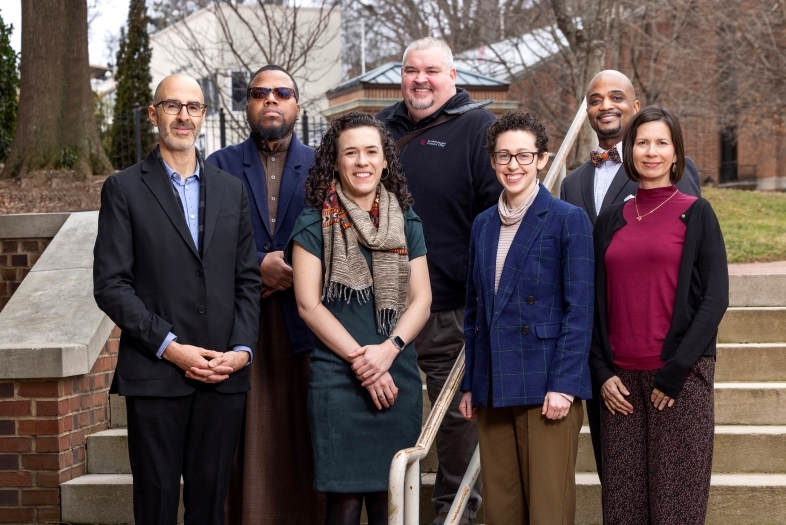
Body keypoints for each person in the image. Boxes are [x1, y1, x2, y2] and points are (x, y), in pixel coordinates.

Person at [93, 74, 261, 525]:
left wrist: (242, 352)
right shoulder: (124, 189)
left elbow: (247, 280)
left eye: (193, 107)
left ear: (204, 116)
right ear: (153, 115)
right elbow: (111, 285)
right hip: (155, 373)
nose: (183, 116)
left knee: (210, 504)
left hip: (222, 374)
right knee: (157, 504)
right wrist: (172, 347)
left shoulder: (231, 190)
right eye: (172, 106)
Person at [376, 37, 501, 524]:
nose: (420, 79)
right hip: (382, 312)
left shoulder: (479, 130)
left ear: (453, 77)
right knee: (385, 420)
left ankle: (456, 517)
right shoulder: (378, 131)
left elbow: (497, 221)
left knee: (456, 430)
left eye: (431, 70)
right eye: (411, 70)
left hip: (451, 311)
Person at [288, 112, 431, 524]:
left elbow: (421, 300)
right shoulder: (313, 222)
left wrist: (389, 351)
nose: (362, 161)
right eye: (350, 152)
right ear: (334, 161)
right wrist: (363, 362)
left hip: (398, 375)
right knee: (345, 506)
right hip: (339, 379)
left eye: (372, 151)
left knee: (394, 508)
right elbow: (308, 306)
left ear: (386, 161)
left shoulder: (406, 221)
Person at [559, 70, 702, 482]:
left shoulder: (670, 166)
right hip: (604, 346)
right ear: (587, 110)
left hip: (663, 346)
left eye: (617, 96)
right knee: (618, 480)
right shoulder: (572, 184)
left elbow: (691, 263)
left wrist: (684, 353)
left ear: (635, 108)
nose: (606, 105)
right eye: (596, 99)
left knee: (669, 481)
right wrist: (596, 361)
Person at [590, 105, 728, 524]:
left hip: (679, 383)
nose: (651, 152)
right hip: (620, 389)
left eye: (661, 143)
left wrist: (678, 369)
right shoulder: (612, 218)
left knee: (676, 512)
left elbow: (715, 298)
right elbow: (593, 300)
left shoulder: (696, 213)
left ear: (675, 152)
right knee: (623, 512)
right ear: (630, 150)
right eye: (643, 142)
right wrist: (600, 371)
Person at [459, 111, 594, 525]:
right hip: (494, 386)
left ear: (541, 159)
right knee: (501, 509)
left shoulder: (568, 219)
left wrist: (564, 385)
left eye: (523, 155)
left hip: (546, 387)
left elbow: (580, 310)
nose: (512, 165)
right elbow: (475, 311)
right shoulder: (483, 224)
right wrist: (470, 383)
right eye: (503, 156)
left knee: (548, 509)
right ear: (492, 161)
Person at [206, 65, 325, 525]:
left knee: (304, 434)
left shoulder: (322, 164)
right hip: (242, 320)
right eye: (259, 93)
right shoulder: (218, 164)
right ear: (248, 104)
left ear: (297, 103)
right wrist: (259, 265)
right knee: (247, 440)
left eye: (282, 92)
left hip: (307, 318)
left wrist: (295, 268)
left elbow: (337, 236)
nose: (270, 100)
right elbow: (206, 239)